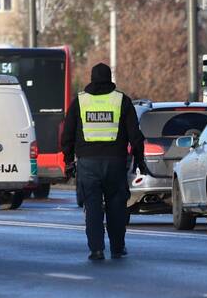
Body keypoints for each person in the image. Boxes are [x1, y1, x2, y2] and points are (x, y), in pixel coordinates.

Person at [60, 62, 150, 261]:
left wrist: (68, 161)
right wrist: (140, 161)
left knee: (92, 207)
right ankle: (117, 248)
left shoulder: (80, 102)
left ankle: (97, 249)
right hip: (115, 163)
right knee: (116, 207)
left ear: (91, 79)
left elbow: (66, 136)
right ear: (110, 79)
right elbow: (135, 135)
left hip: (88, 164)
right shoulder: (121, 101)